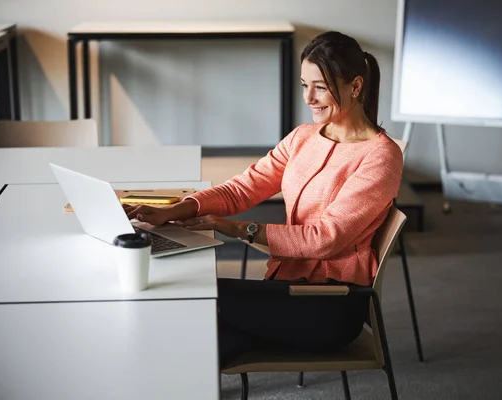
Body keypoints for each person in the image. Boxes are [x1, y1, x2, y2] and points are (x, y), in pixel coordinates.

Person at [125, 31, 403, 366]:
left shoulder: (380, 157)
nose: (309, 98)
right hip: (288, 288)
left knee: (201, 301)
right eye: (304, 85)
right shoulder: (303, 137)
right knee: (207, 330)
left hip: (331, 304)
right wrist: (174, 211)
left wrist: (238, 229)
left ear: (355, 87)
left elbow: (325, 240)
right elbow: (243, 188)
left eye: (320, 86)